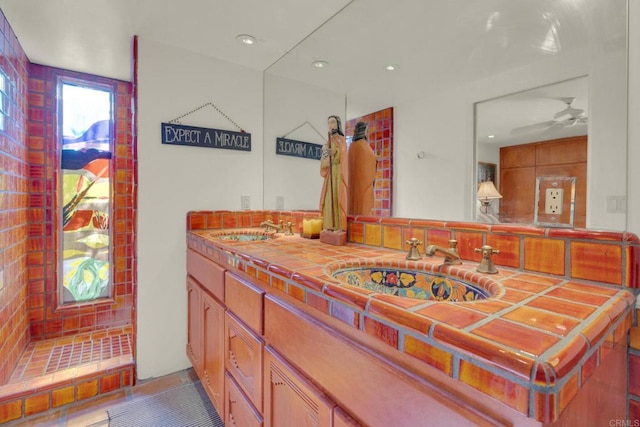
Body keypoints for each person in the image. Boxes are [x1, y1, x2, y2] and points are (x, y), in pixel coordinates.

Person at [319, 115, 348, 232]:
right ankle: (329, 225)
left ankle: (338, 226)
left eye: (333, 122)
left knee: (337, 197)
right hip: (331, 173)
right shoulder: (329, 140)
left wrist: (335, 152)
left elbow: (344, 154)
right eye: (329, 123)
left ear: (338, 124)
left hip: (338, 172)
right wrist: (325, 152)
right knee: (328, 198)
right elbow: (325, 159)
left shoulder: (341, 139)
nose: (330, 125)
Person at [348, 121, 377, 215]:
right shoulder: (363, 146)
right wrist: (375, 159)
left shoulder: (352, 146)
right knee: (364, 207)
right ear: (364, 131)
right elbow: (369, 159)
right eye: (367, 131)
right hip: (364, 183)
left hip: (354, 185)